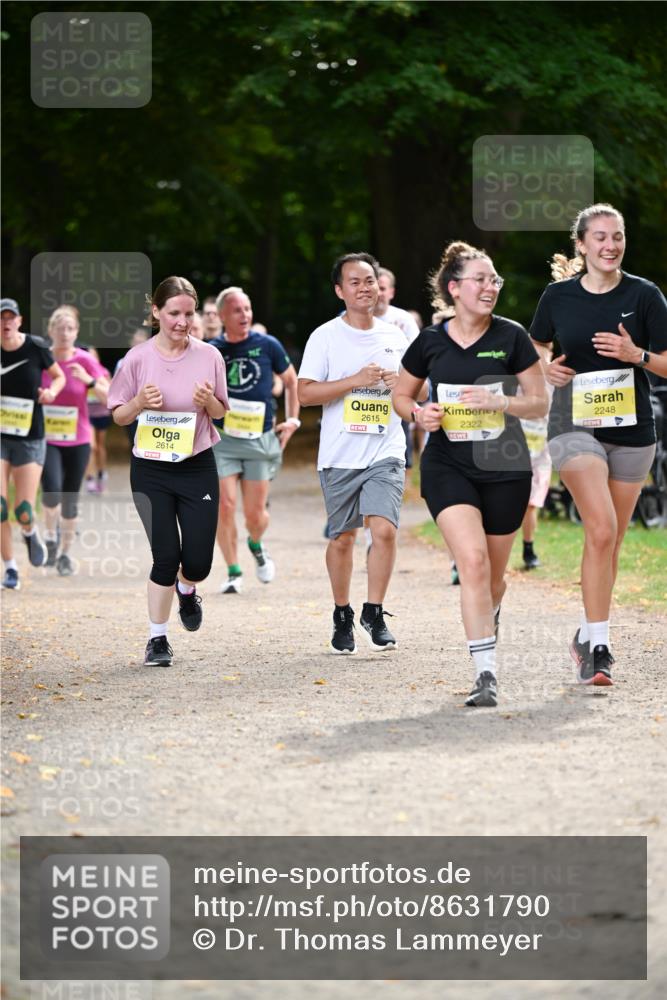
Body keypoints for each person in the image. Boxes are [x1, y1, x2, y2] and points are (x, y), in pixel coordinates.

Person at [393, 242, 548, 706]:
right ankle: (486, 674)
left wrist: (502, 401)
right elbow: (402, 396)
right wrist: (419, 414)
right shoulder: (430, 341)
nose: (491, 286)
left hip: (505, 467)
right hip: (448, 464)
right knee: (474, 565)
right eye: (481, 279)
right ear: (454, 288)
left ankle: (489, 613)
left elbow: (539, 401)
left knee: (494, 578)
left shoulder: (511, 335)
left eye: (495, 280)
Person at [530, 203, 667, 685]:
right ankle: (600, 650)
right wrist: (547, 368)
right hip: (574, 426)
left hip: (633, 434)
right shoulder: (557, 296)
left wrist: (638, 355)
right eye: (601, 238)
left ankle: (586, 633)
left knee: (611, 541)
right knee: (602, 530)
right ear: (582, 245)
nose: (611, 245)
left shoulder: (646, 295)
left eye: (618, 236)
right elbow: (537, 349)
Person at [108, 276, 229, 668]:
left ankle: (187, 588)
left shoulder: (209, 355)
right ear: (156, 312)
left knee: (198, 562)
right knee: (164, 555)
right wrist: (140, 401)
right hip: (150, 469)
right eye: (174, 313)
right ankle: (156, 640)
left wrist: (208, 400)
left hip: (196, 466)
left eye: (189, 314)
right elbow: (118, 414)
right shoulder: (138, 359)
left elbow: (221, 413)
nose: (182, 321)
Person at [299, 252, 416, 654]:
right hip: (339, 454)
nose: (365, 287)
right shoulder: (325, 336)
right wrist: (355, 381)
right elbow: (305, 393)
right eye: (355, 281)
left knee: (383, 529)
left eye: (370, 280)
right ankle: (342, 612)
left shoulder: (395, 336)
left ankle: (375, 610)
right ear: (339, 290)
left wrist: (399, 383)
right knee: (344, 538)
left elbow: (414, 390)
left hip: (385, 448)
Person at [210, 287, 300, 594]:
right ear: (222, 315)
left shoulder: (267, 345)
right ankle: (234, 571)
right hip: (222, 439)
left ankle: (256, 543)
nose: (245, 315)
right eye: (237, 310)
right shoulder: (212, 349)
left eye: (247, 309)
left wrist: (293, 419)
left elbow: (291, 381)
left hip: (260, 438)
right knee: (224, 505)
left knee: (255, 515)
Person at [40, 305, 110, 575]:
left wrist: (91, 381)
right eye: (60, 329)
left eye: (70, 329)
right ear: (51, 331)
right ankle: (50, 537)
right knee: (52, 490)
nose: (65, 334)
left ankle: (66, 554)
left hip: (79, 437)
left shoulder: (84, 359)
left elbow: (110, 396)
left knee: (70, 498)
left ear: (76, 332)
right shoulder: (43, 358)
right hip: (47, 437)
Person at [1, 297, 65, 589]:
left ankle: (29, 531)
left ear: (19, 320)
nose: (6, 323)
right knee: (0, 506)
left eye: (10, 317)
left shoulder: (36, 346)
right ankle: (10, 567)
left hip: (29, 435)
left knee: (22, 509)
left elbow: (58, 377)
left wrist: (51, 392)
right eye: (1, 318)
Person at [519, 383, 554, 569]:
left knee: (531, 505)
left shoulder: (555, 383)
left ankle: (528, 548)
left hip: (541, 456)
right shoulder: (514, 380)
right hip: (513, 453)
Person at [84, 347, 113, 494]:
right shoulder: (81, 372)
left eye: (92, 356)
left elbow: (112, 391)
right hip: (86, 414)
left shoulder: (103, 372)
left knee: (100, 447)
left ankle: (101, 473)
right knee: (91, 447)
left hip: (101, 413)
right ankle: (90, 479)